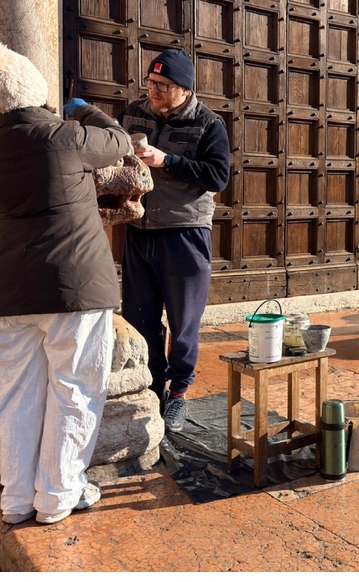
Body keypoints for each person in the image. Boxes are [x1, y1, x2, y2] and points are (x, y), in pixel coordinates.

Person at [0, 41, 131, 525]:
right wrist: (89, 113)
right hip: (73, 285)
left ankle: (16, 499)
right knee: (74, 389)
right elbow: (118, 142)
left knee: (11, 394)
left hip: (6, 289)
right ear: (36, 90)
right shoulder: (66, 136)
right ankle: (57, 496)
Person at [116, 49, 230, 434]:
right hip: (139, 231)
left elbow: (217, 177)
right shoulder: (134, 112)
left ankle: (178, 394)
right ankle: (153, 389)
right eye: (150, 82)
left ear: (184, 89)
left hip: (185, 234)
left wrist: (167, 161)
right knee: (140, 318)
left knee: (183, 326)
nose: (154, 91)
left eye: (162, 86)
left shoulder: (208, 123)